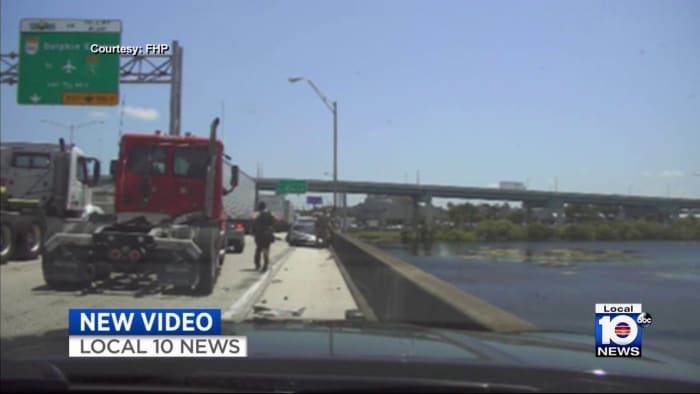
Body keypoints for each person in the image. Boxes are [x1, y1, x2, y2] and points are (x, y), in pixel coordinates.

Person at [251, 201, 276, 272]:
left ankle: (257, 265)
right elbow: (274, 221)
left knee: (258, 250)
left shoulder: (257, 214)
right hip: (267, 234)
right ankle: (265, 265)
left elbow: (253, 222)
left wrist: (253, 231)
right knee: (266, 249)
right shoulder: (269, 213)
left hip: (259, 234)